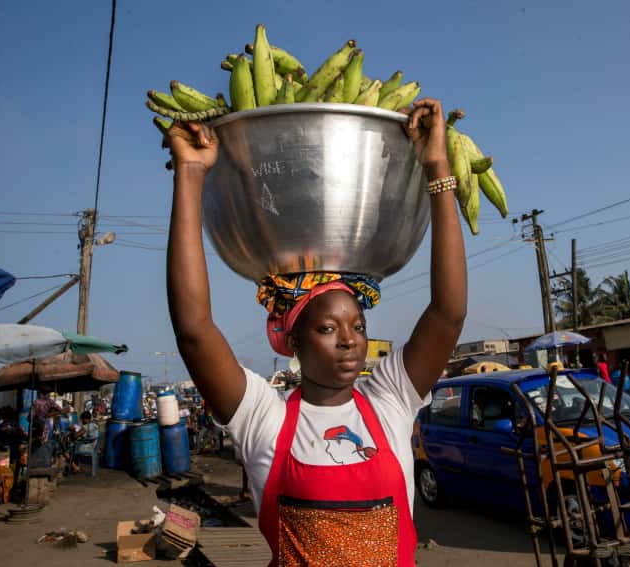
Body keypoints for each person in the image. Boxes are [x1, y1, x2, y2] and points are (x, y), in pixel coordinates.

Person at [166, 98, 466, 565]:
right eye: (328, 327)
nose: (350, 340)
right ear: (292, 341)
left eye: (358, 326)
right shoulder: (263, 417)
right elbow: (194, 330)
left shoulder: (390, 401)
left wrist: (437, 166)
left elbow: (447, 313)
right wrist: (189, 175)